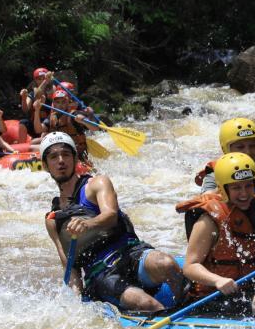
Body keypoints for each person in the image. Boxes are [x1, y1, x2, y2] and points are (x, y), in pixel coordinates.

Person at [41, 132, 184, 311]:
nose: (61, 160)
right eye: (54, 157)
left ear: (75, 158)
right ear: (45, 165)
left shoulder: (97, 184)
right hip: (101, 275)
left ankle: (186, 309)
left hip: (130, 253)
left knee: (167, 264)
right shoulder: (53, 220)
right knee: (147, 304)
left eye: (66, 154)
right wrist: (76, 305)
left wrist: (88, 224)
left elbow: (110, 216)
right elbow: (70, 268)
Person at [177, 153, 255, 317]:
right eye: (236, 188)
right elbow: (190, 266)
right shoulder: (209, 220)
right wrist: (217, 280)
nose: (244, 193)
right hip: (214, 296)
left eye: (248, 186)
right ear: (223, 188)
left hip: (249, 285)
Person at [195, 117, 255, 204]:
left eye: (252, 146)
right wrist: (223, 186)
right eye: (240, 147)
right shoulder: (214, 177)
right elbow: (206, 201)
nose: (248, 152)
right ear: (226, 149)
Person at [44, 89, 92, 162]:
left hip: (79, 154)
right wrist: (37, 111)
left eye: (63, 102)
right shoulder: (52, 117)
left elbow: (95, 128)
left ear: (68, 103)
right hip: (63, 153)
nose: (60, 105)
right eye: (58, 102)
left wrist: (85, 121)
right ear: (54, 104)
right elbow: (38, 129)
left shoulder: (74, 114)